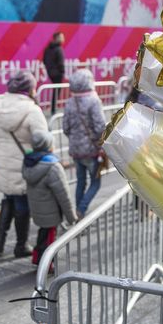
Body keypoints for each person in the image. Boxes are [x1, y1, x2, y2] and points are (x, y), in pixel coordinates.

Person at [0, 71, 47, 257]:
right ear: (29, 89)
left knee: (8, 198)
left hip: (2, 162)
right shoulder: (32, 110)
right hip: (23, 164)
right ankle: (21, 245)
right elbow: (42, 140)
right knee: (21, 203)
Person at [23, 130, 78, 265]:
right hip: (52, 212)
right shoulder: (52, 166)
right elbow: (63, 195)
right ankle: (46, 264)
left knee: (43, 234)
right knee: (50, 240)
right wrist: (72, 217)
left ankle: (37, 257)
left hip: (38, 209)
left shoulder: (28, 162)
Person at [62, 70, 106, 217]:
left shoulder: (70, 101)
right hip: (91, 150)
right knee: (96, 182)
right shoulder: (94, 100)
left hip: (76, 150)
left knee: (81, 181)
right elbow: (100, 127)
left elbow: (65, 127)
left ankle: (77, 213)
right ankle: (81, 209)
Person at [42, 32, 65, 113]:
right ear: (57, 38)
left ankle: (53, 108)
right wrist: (62, 72)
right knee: (57, 91)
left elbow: (44, 60)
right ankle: (53, 109)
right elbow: (61, 63)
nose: (63, 39)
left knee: (55, 91)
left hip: (50, 72)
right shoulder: (59, 49)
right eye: (62, 37)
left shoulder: (47, 48)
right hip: (58, 74)